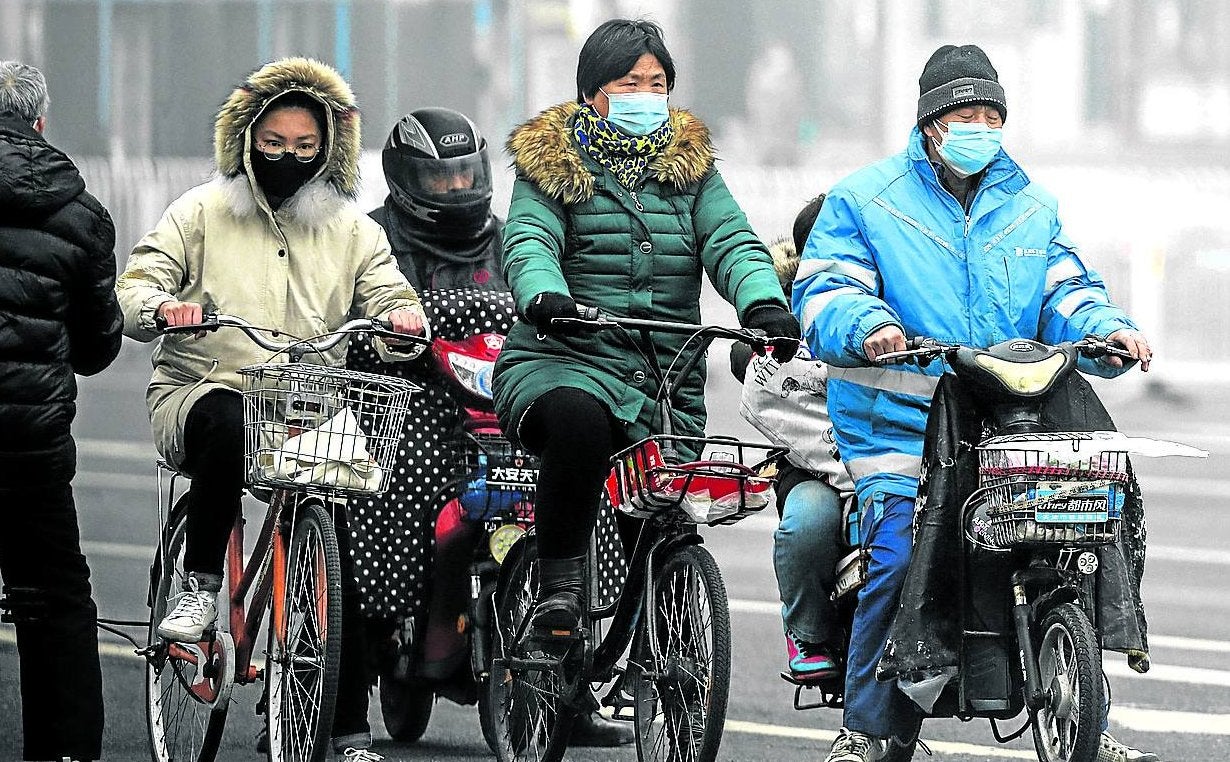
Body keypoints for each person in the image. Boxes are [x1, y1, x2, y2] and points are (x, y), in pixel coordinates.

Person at [793, 44, 1157, 762]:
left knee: (1079, 539)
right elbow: (827, 289)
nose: (981, 126)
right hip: (900, 428)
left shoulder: (1029, 205)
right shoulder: (864, 200)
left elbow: (1066, 290)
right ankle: (868, 730)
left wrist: (1106, 330)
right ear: (931, 123)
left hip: (1010, 421)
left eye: (992, 114)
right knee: (901, 553)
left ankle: (1091, 719)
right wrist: (871, 328)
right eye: (967, 114)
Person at [116, 57, 425, 761]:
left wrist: (401, 321)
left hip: (307, 406)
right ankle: (197, 592)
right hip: (204, 388)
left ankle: (345, 729)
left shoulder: (352, 230)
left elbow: (388, 294)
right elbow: (137, 284)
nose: (289, 157)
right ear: (247, 139)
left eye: (306, 147)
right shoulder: (199, 211)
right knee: (225, 417)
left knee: (336, 554)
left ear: (330, 150)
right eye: (275, 143)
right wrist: (165, 307)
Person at [493, 17, 798, 647]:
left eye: (657, 84)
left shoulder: (692, 168)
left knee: (663, 517)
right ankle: (558, 597)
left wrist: (763, 304)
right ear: (591, 94)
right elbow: (528, 240)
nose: (646, 96)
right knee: (579, 425)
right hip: (563, 356)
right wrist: (543, 294)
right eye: (629, 83)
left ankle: (653, 652)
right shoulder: (549, 167)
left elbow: (731, 241)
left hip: (662, 379)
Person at [354, 107, 631, 746]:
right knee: (384, 497)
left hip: (502, 406)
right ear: (404, 180)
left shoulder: (508, 240)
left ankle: (576, 682)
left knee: (588, 497)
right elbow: (356, 325)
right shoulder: (375, 241)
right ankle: (372, 645)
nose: (456, 190)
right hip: (414, 407)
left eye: (464, 176)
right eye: (440, 179)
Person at [0, 59, 121, 762]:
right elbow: (98, 347)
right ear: (41, 122)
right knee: (55, 597)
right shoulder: (81, 215)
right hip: (29, 444)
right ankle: (65, 750)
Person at [730, 194, 852, 682]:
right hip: (812, 466)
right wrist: (764, 350)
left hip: (895, 454)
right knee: (808, 523)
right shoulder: (786, 302)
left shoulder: (900, 292)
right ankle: (808, 633)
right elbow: (744, 353)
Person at [372, 107, 507, 289]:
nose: (457, 186)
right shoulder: (368, 242)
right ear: (404, 176)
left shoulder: (511, 243)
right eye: (439, 175)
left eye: (465, 172)